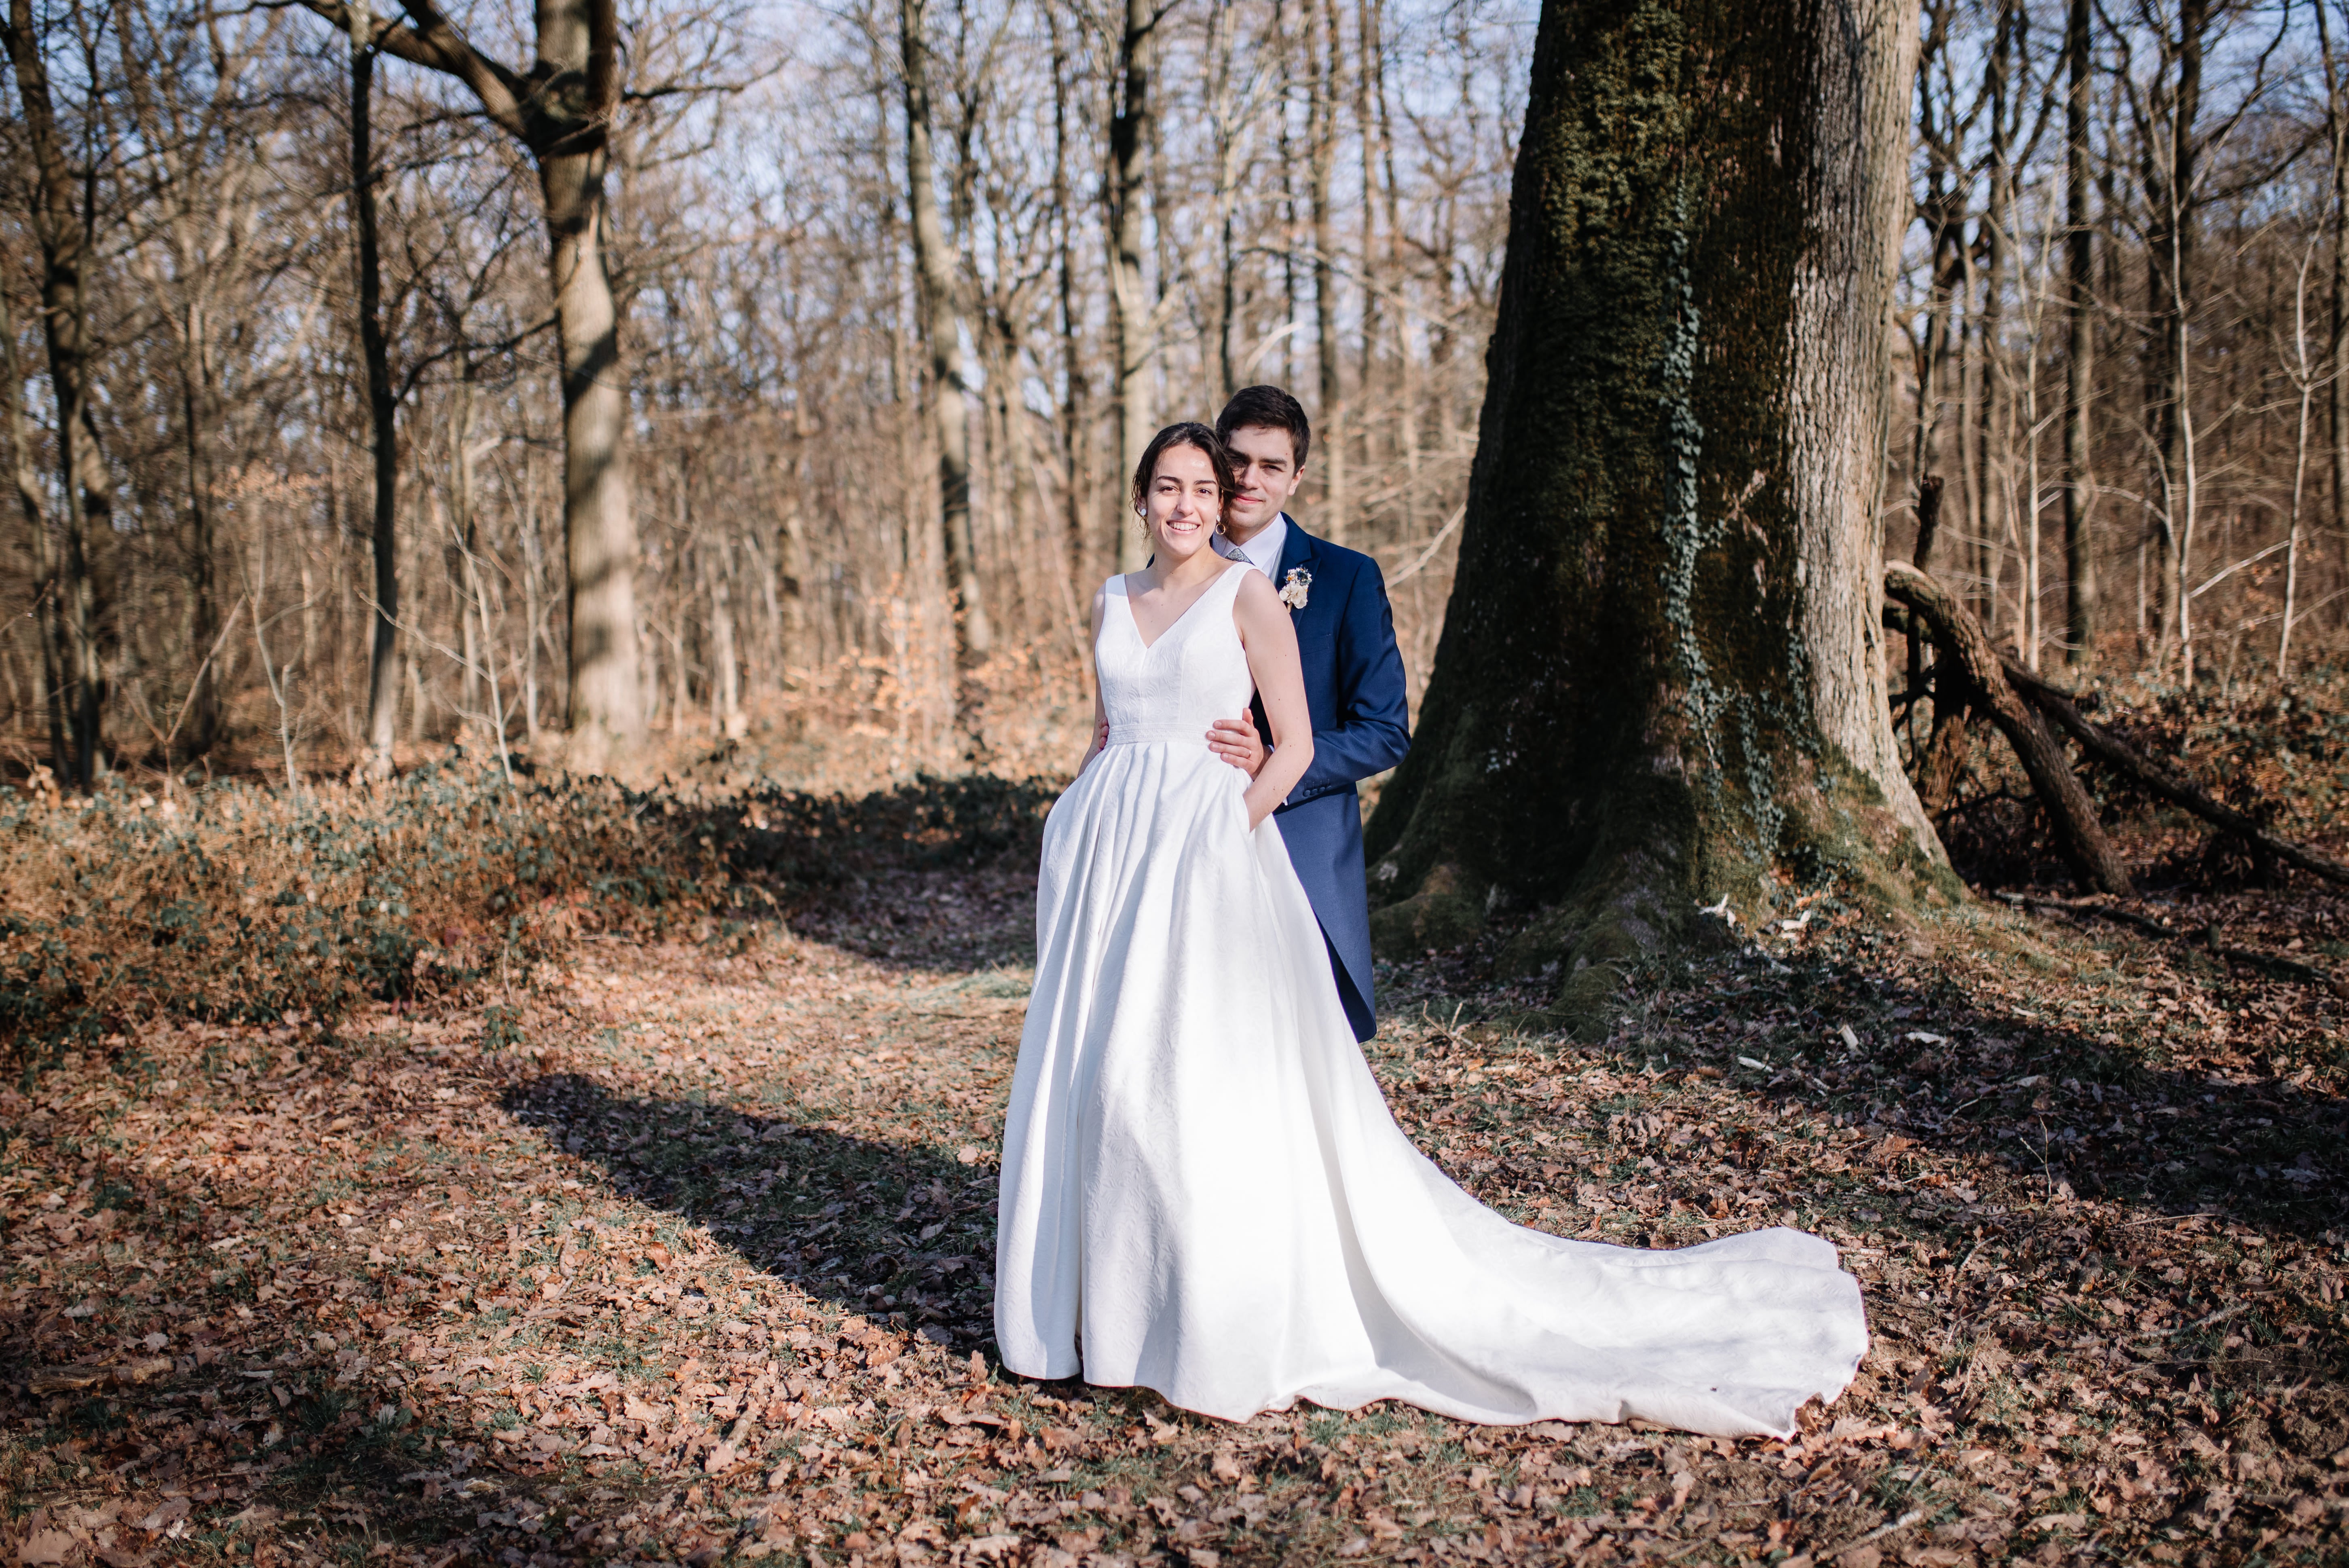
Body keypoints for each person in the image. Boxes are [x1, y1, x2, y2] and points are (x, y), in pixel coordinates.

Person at [993, 421, 1869, 1435]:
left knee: (1180, 1078)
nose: (1185, 504)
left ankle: (1201, 1317)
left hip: (1205, 856)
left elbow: (1296, 746)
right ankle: (1097, 1313)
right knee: (1099, 1073)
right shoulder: (1110, 598)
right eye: (1166, 486)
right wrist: (1072, 822)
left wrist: (1222, 830)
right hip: (1109, 862)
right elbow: (1107, 732)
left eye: (1201, 487)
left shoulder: (1246, 594)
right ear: (1140, 497)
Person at [1202, 386, 1408, 1044]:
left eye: (1270, 466)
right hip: (1192, 827)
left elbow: (1384, 731)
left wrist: (1279, 762)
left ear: (1296, 478)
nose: (1248, 479)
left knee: (1297, 1039)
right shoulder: (1171, 571)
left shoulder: (1346, 578)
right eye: (1237, 460)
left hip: (1300, 838)